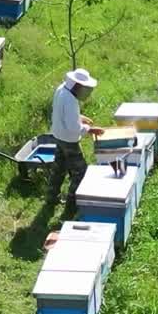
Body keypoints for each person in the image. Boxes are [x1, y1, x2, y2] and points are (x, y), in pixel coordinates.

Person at [47, 66, 104, 212]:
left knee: (59, 168)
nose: (86, 92)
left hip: (58, 135)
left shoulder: (61, 89)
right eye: (84, 88)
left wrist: (80, 117)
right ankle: (72, 204)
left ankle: (51, 197)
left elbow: (62, 113)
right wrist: (90, 129)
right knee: (80, 171)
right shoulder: (71, 100)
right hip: (68, 140)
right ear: (77, 85)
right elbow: (73, 127)